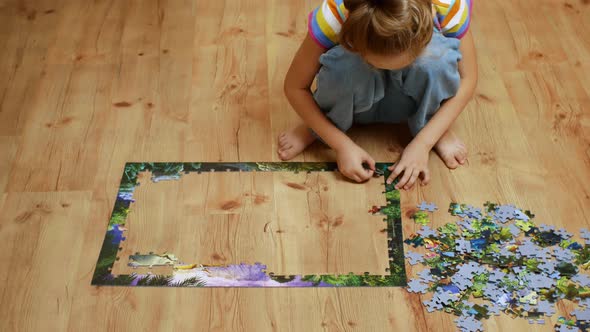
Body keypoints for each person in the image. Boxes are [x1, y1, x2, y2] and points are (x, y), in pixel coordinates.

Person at [278, 0, 477, 190]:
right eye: (375, 63)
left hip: (410, 99)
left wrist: (423, 143)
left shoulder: (448, 7)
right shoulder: (334, 15)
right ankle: (323, 125)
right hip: (357, 97)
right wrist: (340, 145)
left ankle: (434, 125)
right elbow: (296, 87)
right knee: (345, 66)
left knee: (436, 61)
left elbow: (468, 79)